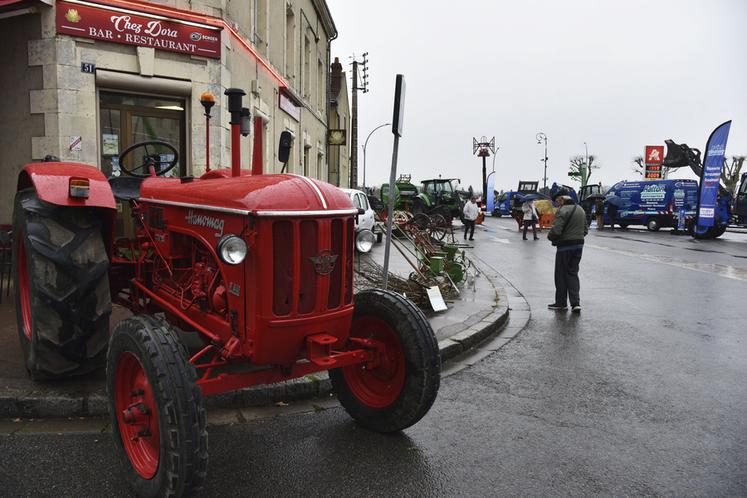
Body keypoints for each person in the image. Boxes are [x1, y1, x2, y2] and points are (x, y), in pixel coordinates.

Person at [547, 195, 588, 313]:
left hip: (565, 247)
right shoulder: (580, 209)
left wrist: (550, 237)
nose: (557, 204)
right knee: (572, 273)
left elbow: (556, 230)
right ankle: (576, 303)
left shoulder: (562, 211)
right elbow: (585, 230)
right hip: (579, 246)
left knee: (560, 274)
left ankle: (561, 303)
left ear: (562, 201)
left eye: (558, 201)